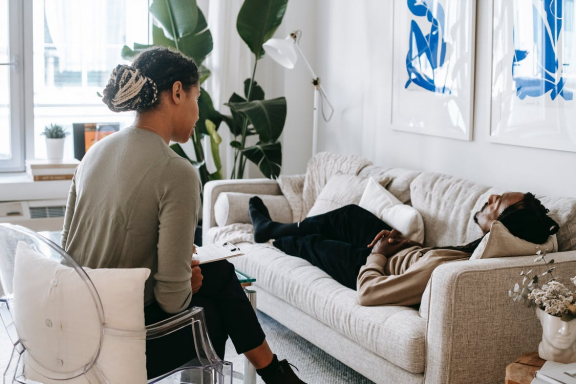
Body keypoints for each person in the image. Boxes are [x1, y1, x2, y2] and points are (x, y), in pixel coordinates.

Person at [62, 46, 305, 384]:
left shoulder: (94, 152)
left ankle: (276, 375)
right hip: (121, 341)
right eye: (197, 97)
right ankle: (276, 375)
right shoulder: (176, 170)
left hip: (75, 327)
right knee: (214, 308)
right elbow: (173, 302)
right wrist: (183, 282)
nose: (197, 110)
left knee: (217, 273)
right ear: (177, 92)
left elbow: (68, 252)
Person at [248, 192, 560, 306]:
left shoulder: (447, 273)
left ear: (501, 226)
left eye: (497, 203)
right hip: (397, 253)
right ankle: (270, 227)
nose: (490, 198)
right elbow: (433, 256)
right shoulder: (471, 251)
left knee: (310, 244)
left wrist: (380, 253)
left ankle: (275, 235)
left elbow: (368, 294)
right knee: (351, 215)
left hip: (371, 264)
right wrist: (409, 245)